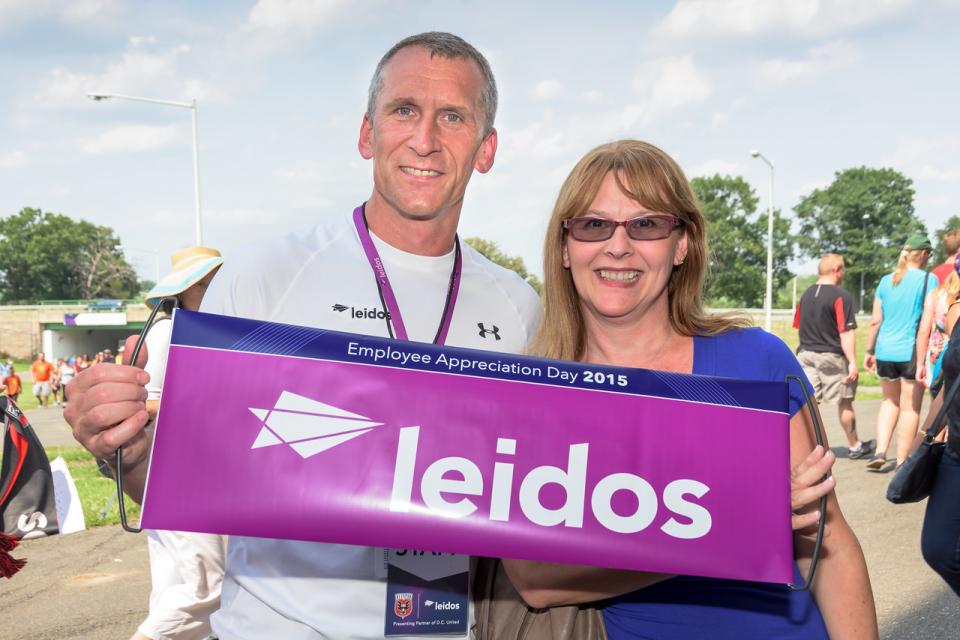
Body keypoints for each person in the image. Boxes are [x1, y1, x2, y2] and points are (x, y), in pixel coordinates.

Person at [66, 32, 541, 639]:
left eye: (453, 116)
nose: (424, 138)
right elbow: (188, 481)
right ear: (367, 133)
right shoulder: (267, 276)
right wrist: (124, 450)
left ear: (486, 148)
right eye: (403, 111)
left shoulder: (519, 308)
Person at [500, 140, 877, 639]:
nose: (618, 246)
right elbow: (538, 582)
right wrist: (746, 521)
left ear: (682, 244)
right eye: (594, 225)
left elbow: (830, 540)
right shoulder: (537, 392)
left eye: (646, 224)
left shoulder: (757, 360)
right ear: (565, 248)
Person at [132, 246, 226, 640]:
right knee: (207, 585)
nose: (218, 288)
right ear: (189, 289)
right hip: (176, 465)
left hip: (192, 464)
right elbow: (146, 400)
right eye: (209, 282)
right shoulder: (169, 330)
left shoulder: (205, 330)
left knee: (175, 580)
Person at [864, 235, 937, 470]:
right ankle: (903, 461)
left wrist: (869, 350)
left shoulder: (886, 281)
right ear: (924, 254)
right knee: (910, 407)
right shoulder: (929, 279)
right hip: (910, 350)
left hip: (885, 350)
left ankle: (881, 451)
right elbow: (927, 320)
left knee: (889, 401)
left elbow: (876, 320)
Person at [794, 253, 874, 459]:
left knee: (808, 403)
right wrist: (854, 363)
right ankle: (855, 445)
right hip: (831, 357)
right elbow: (846, 332)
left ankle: (806, 449)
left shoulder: (806, 294)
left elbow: (798, 326)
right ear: (837, 270)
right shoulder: (841, 296)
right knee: (844, 402)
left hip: (805, 355)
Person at [919, 259, 960, 597]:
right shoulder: (958, 315)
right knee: (938, 548)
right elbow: (951, 380)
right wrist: (927, 435)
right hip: (956, 449)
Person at [916, 252, 960, 396]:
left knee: (939, 399)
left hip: (937, 353)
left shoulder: (936, 294)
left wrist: (920, 363)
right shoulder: (956, 305)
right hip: (952, 353)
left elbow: (924, 330)